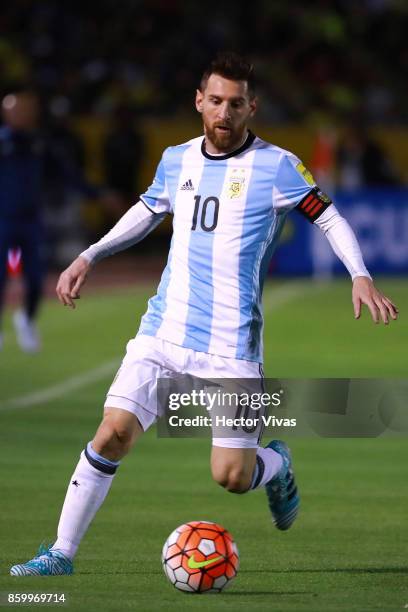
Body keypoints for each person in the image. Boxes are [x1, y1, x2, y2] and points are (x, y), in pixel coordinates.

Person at [10, 53, 398, 577]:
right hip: (163, 329)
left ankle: (276, 463)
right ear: (199, 101)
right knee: (112, 434)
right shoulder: (176, 159)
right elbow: (146, 212)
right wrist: (88, 255)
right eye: (215, 100)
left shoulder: (277, 165)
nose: (224, 112)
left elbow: (327, 216)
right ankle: (60, 553)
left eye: (236, 104)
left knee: (233, 476)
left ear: (251, 107)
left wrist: (359, 273)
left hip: (232, 343)